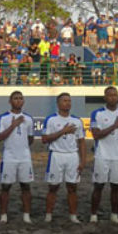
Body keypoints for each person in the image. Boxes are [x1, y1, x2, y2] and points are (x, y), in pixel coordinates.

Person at [42, 93, 85, 223]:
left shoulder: (77, 121)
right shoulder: (51, 120)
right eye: (65, 100)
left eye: (69, 101)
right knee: (53, 187)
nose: (68, 103)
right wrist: (63, 131)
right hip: (56, 155)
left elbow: (82, 142)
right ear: (58, 103)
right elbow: (45, 139)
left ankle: (73, 216)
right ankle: (48, 215)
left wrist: (83, 160)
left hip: (72, 156)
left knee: (72, 187)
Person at [89, 86, 118, 223]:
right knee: (98, 185)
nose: (113, 97)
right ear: (105, 97)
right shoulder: (97, 114)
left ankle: (114, 215)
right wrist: (114, 126)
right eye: (110, 95)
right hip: (102, 155)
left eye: (115, 95)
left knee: (116, 186)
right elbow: (96, 135)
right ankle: (93, 215)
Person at [0, 91, 35, 224]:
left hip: (24, 157)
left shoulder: (28, 119)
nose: (18, 101)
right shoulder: (4, 118)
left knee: (26, 186)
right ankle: (3, 215)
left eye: (20, 98)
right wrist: (14, 125)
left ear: (23, 101)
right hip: (9, 157)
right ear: (10, 101)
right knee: (6, 186)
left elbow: (30, 139)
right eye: (15, 98)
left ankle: (26, 215)